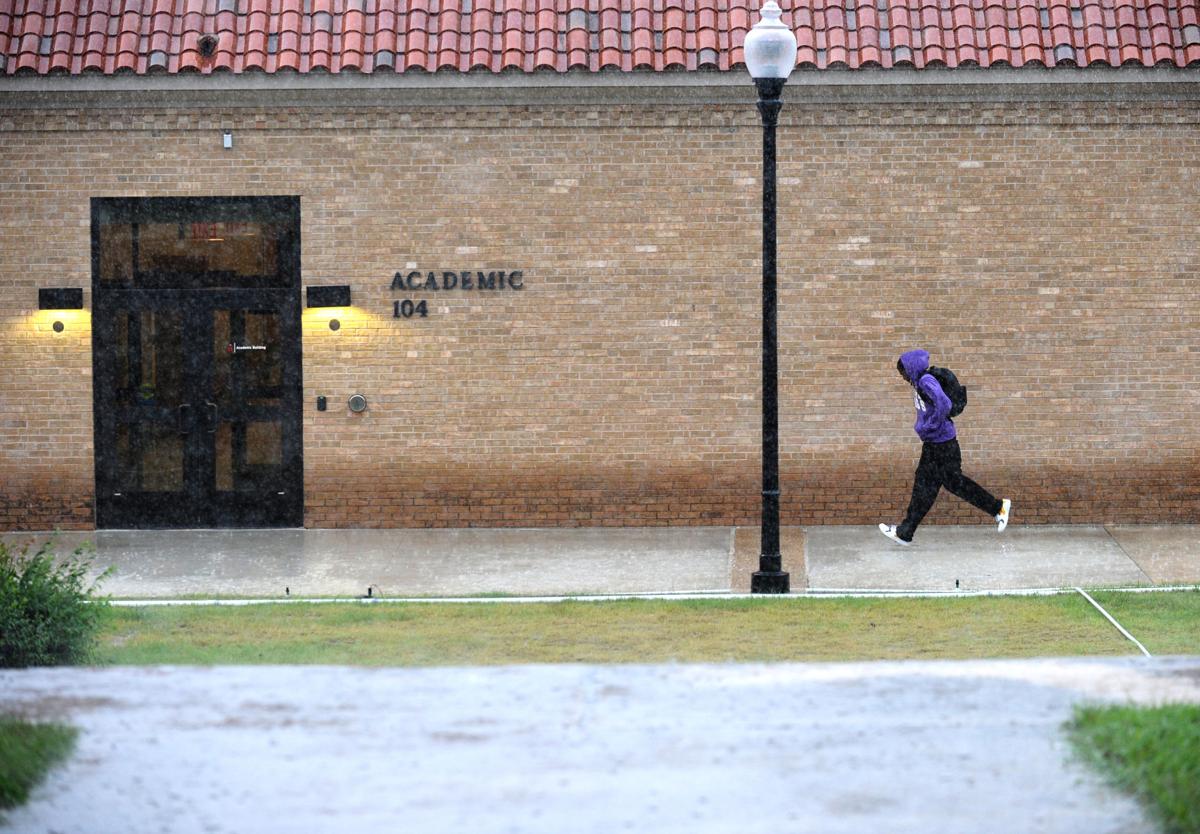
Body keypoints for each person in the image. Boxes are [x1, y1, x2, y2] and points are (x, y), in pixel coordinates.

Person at [879, 349, 1011, 545]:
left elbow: (943, 403)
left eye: (904, 372)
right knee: (924, 487)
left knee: (951, 483)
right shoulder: (919, 382)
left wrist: (929, 425)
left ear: (911, 368)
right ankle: (905, 531)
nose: (903, 377)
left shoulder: (925, 381)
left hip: (943, 445)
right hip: (934, 444)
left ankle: (998, 507)